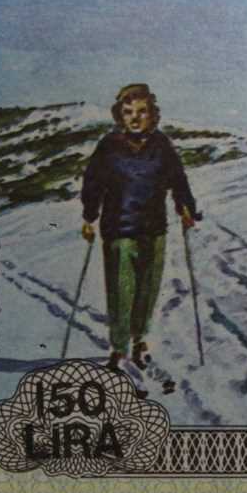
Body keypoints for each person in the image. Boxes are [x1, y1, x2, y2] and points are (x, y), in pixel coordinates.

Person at [80, 84, 199, 370]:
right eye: (128, 112)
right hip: (119, 229)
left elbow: (177, 179)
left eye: (141, 111)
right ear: (119, 115)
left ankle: (140, 340)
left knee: (147, 290)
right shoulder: (109, 146)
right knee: (122, 291)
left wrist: (186, 207)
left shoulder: (161, 145)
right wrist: (89, 217)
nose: (135, 118)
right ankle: (119, 346)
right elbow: (93, 183)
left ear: (152, 114)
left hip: (154, 228)